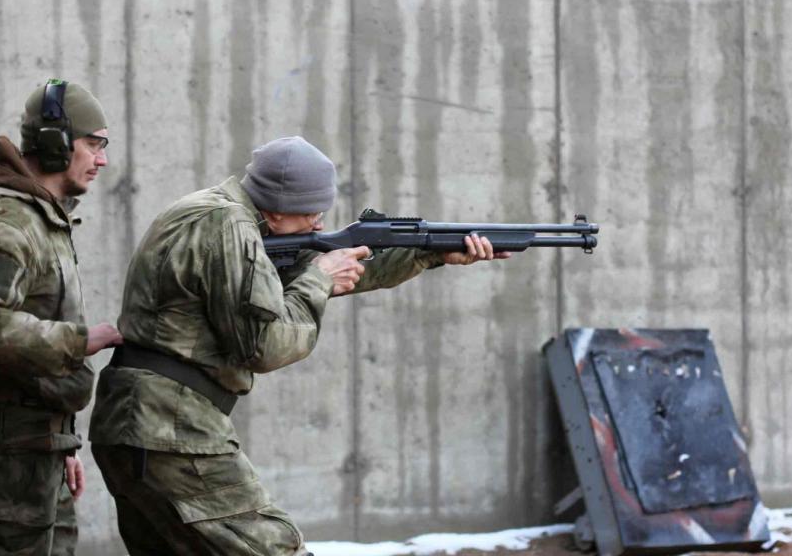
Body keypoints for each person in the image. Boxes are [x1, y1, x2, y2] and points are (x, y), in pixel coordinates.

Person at [88, 136, 509, 555]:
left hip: (139, 422)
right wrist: (320, 280)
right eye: (312, 212)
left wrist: (431, 253)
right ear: (276, 205)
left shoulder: (216, 213)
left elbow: (302, 277)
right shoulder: (228, 225)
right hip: (169, 428)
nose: (320, 224)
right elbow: (265, 346)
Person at [0, 79, 123, 555]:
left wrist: (61, 440)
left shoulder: (43, 218)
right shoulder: (7, 222)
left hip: (36, 451)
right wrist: (78, 342)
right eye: (93, 143)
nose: (102, 159)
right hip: (7, 462)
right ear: (56, 143)